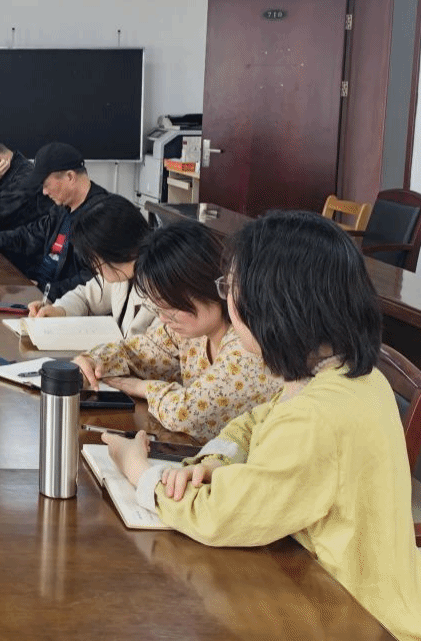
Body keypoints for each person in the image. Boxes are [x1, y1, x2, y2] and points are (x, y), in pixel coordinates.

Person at [104, 211, 421, 639]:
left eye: (230, 288)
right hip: (350, 586)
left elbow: (221, 514)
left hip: (356, 615)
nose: (226, 299)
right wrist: (215, 461)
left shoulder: (316, 418)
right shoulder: (346, 377)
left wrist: (141, 474)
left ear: (275, 306)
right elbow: (257, 420)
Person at [72, 220, 280, 442]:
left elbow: (186, 414)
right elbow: (135, 353)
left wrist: (144, 388)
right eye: (158, 307)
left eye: (172, 307)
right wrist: (92, 361)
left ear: (206, 285)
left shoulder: (247, 345)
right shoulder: (191, 333)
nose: (163, 318)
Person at [0, 142, 107, 301]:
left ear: (70, 177)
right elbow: (27, 235)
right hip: (38, 289)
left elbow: (97, 282)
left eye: (46, 184)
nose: (44, 192)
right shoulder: (63, 206)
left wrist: (43, 289)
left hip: (59, 301)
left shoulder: (102, 216)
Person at [29, 193, 156, 340]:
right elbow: (85, 297)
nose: (95, 268)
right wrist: (60, 311)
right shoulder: (121, 273)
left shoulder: (159, 291)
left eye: (95, 260)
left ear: (113, 251)